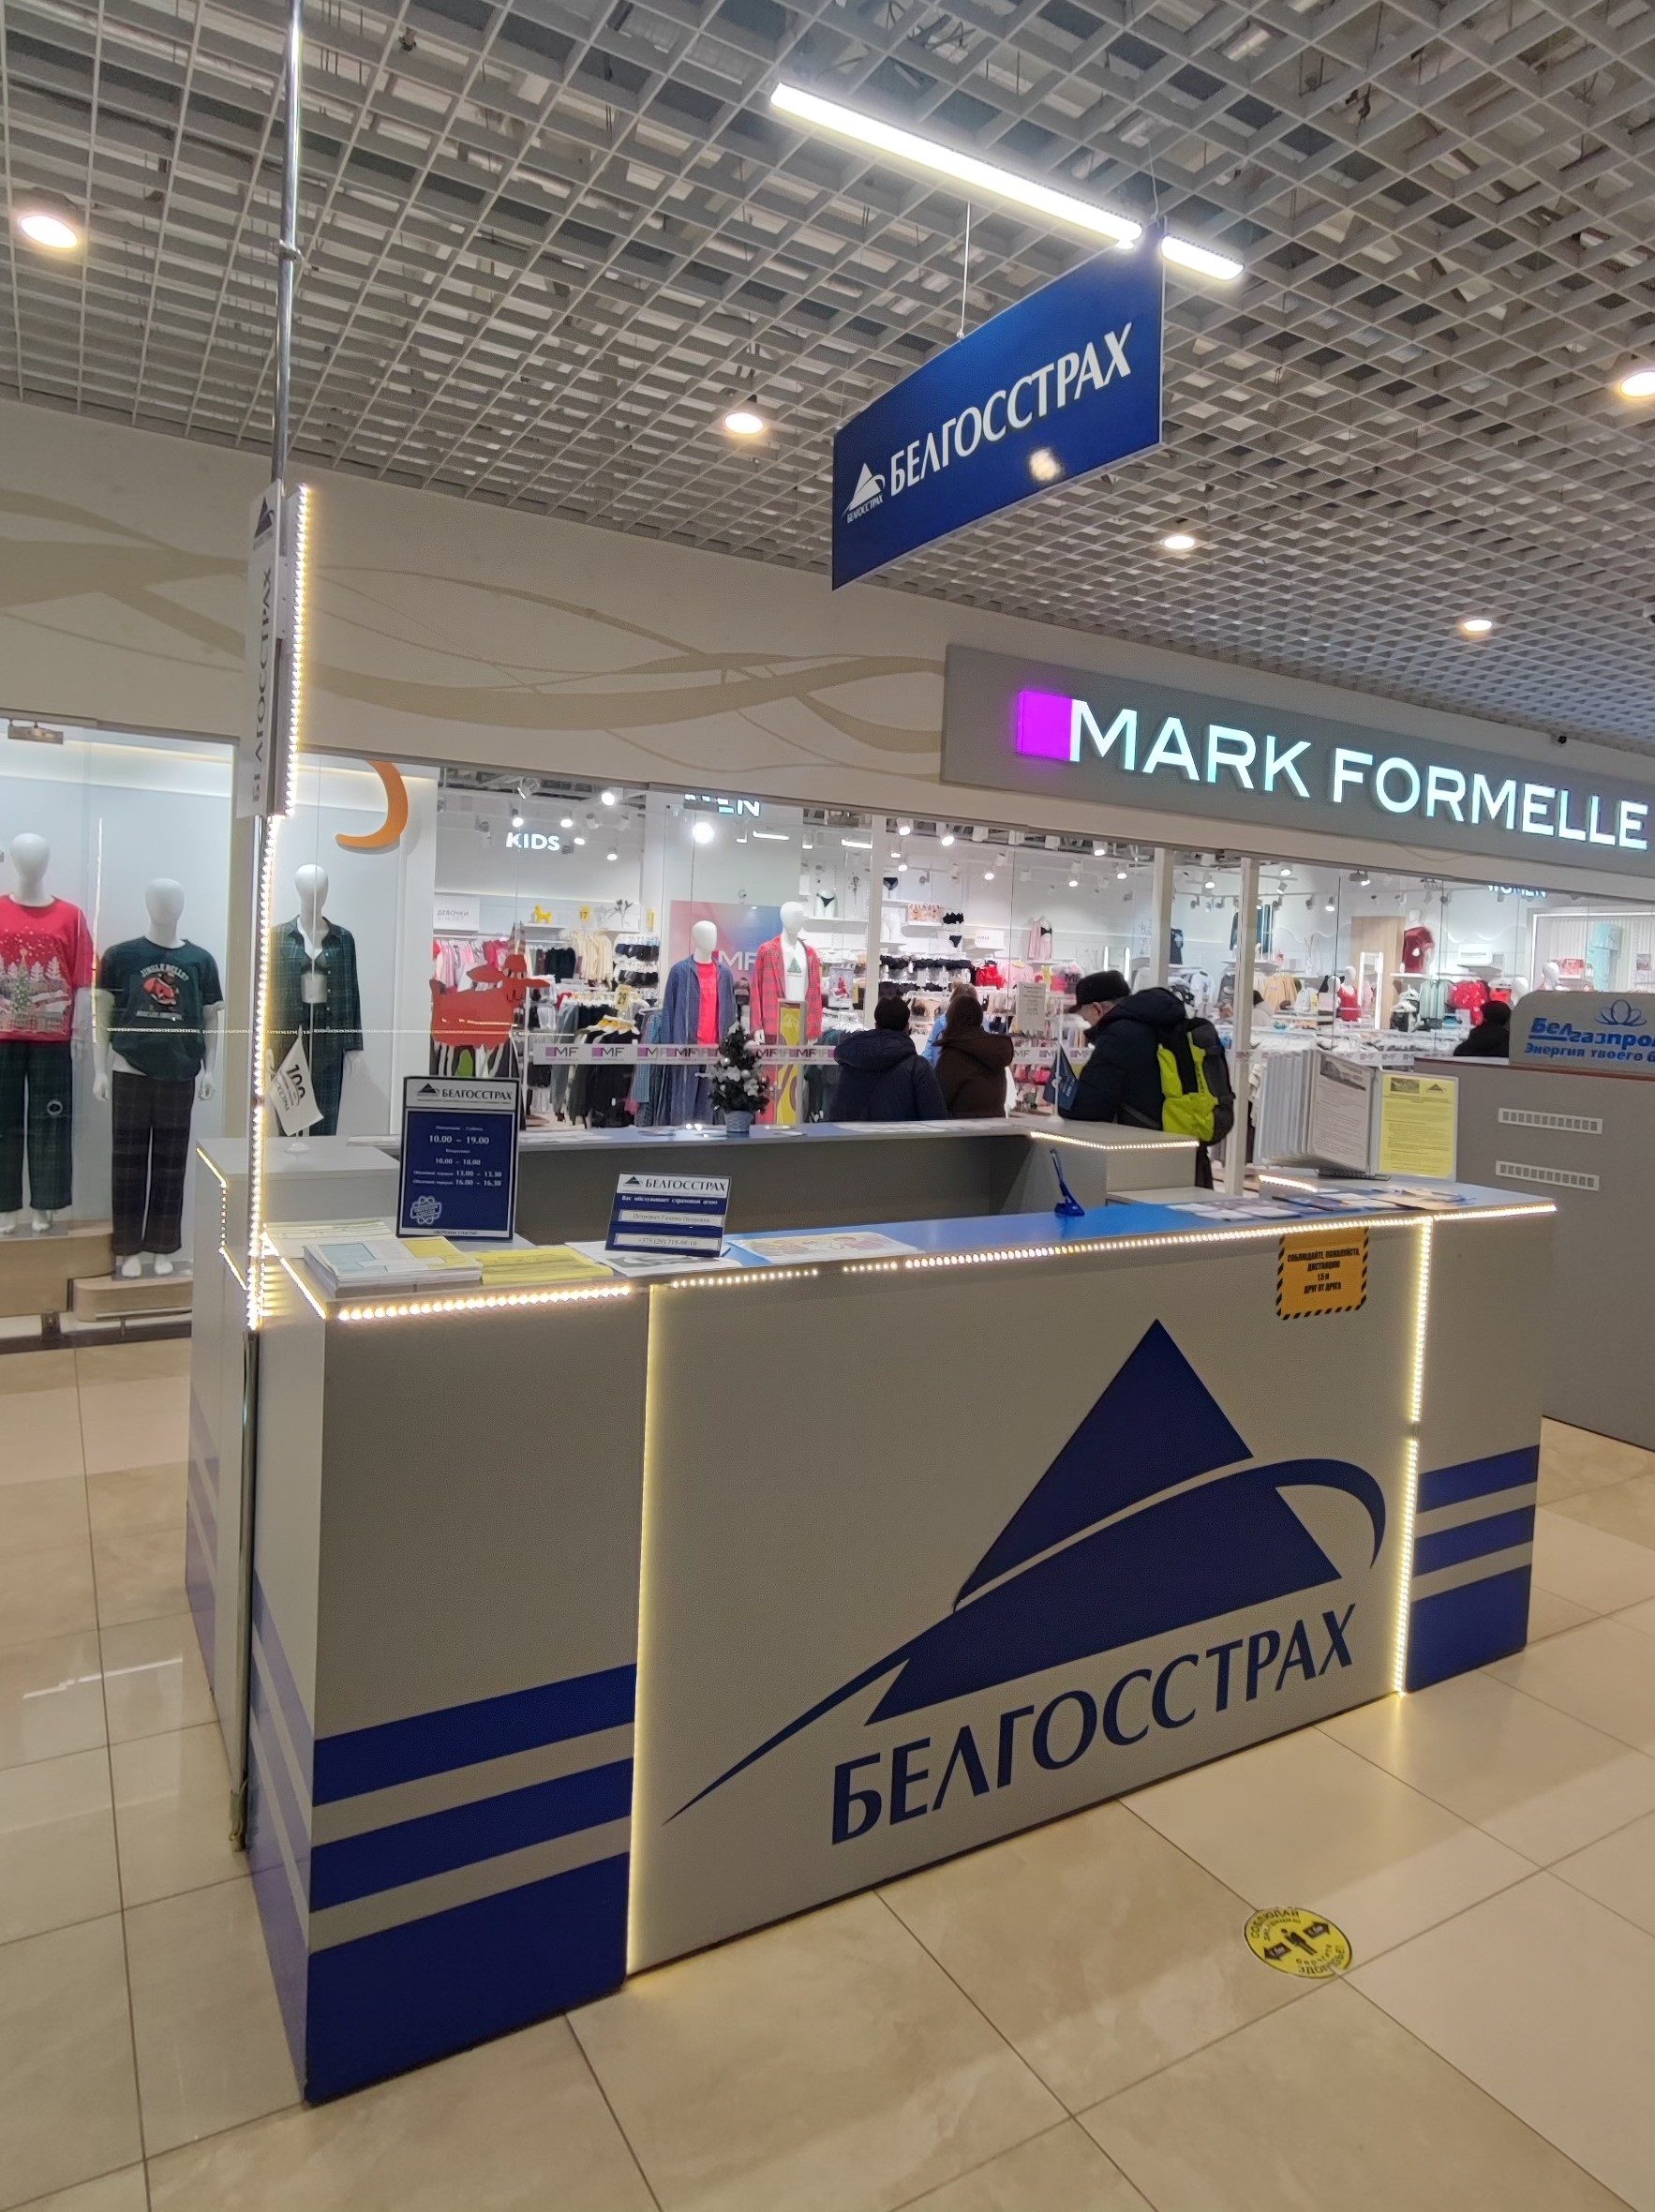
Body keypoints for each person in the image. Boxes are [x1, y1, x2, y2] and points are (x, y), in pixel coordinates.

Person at [1061, 968, 1234, 1185]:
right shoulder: (1167, 1024)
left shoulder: (1118, 1035)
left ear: (1097, 1009)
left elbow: (1088, 1106)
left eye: (1085, 1016)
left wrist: (1061, 1099)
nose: (1086, 1024)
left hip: (1144, 1161)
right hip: (1190, 1153)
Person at [833, 995, 947, 1120]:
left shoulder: (851, 1063)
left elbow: (837, 1113)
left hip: (854, 1133)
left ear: (876, 1025)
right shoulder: (918, 1068)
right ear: (907, 1027)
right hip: (903, 1133)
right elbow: (936, 1119)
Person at [935, 991, 1015, 1118]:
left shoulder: (954, 1056)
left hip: (960, 1127)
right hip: (995, 1125)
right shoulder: (993, 1051)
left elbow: (938, 1100)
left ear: (952, 1018)